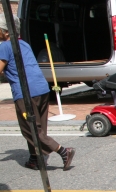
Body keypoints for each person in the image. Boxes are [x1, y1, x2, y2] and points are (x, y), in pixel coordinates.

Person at [0, 15, 75, 171]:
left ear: (5, 31)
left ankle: (63, 151)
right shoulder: (24, 44)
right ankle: (35, 158)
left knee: (31, 128)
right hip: (41, 89)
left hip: (25, 92)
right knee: (38, 126)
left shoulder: (5, 46)